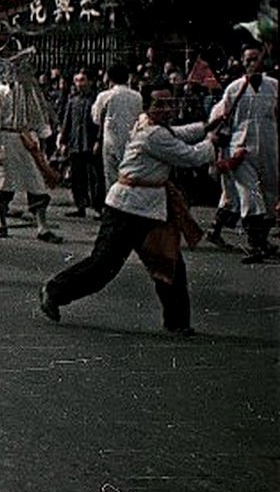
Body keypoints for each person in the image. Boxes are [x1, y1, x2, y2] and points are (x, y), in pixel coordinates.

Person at [40, 83, 215, 335]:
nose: (166, 109)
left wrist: (205, 127)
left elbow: (178, 133)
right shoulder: (153, 134)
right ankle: (54, 291)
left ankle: (178, 322)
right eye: (160, 104)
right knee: (103, 266)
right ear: (147, 107)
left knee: (170, 263)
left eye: (169, 103)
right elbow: (190, 156)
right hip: (126, 209)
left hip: (149, 207)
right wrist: (211, 141)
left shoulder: (149, 124)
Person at [207, 45, 279, 261]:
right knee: (249, 195)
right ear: (242, 62)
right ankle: (254, 245)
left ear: (262, 61)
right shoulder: (234, 89)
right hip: (241, 149)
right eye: (247, 60)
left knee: (269, 194)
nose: (252, 63)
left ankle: (263, 240)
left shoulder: (274, 86)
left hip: (269, 145)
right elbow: (223, 120)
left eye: (255, 59)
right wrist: (221, 147)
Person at [0, 76, 64, 243]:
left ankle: (42, 226)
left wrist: (42, 139)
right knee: (3, 185)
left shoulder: (30, 91)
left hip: (27, 140)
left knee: (37, 183)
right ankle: (2, 224)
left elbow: (38, 115)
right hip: (7, 139)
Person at [92, 63, 143, 193]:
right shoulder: (137, 96)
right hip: (132, 140)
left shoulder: (105, 96)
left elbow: (96, 118)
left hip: (111, 141)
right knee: (130, 176)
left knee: (112, 177)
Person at [57, 71, 101, 217]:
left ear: (89, 82)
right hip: (76, 143)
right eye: (77, 81)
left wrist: (98, 140)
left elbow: (100, 123)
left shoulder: (95, 99)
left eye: (82, 80)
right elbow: (66, 122)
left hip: (90, 142)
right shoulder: (73, 100)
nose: (79, 84)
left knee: (94, 177)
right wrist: (63, 141)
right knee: (77, 177)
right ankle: (80, 204)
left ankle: (97, 206)